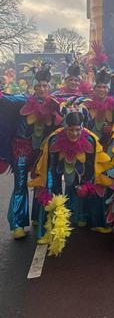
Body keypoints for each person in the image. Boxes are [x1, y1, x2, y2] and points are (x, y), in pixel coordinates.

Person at [29, 110, 114, 241]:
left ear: (82, 128)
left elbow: (91, 168)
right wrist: (50, 190)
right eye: (70, 130)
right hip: (58, 166)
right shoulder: (54, 140)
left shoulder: (90, 140)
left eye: (77, 130)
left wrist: (85, 185)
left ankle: (91, 220)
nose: (74, 133)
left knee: (97, 183)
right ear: (65, 128)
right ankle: (47, 230)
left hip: (81, 166)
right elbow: (51, 169)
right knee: (49, 190)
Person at [0, 64, 64, 238]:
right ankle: (18, 225)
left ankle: (38, 215)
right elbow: (4, 99)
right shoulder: (22, 100)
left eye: (45, 86)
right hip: (21, 148)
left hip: (41, 151)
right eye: (38, 86)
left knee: (41, 182)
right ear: (33, 87)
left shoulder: (54, 105)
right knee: (20, 185)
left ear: (49, 88)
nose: (42, 89)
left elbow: (63, 123)